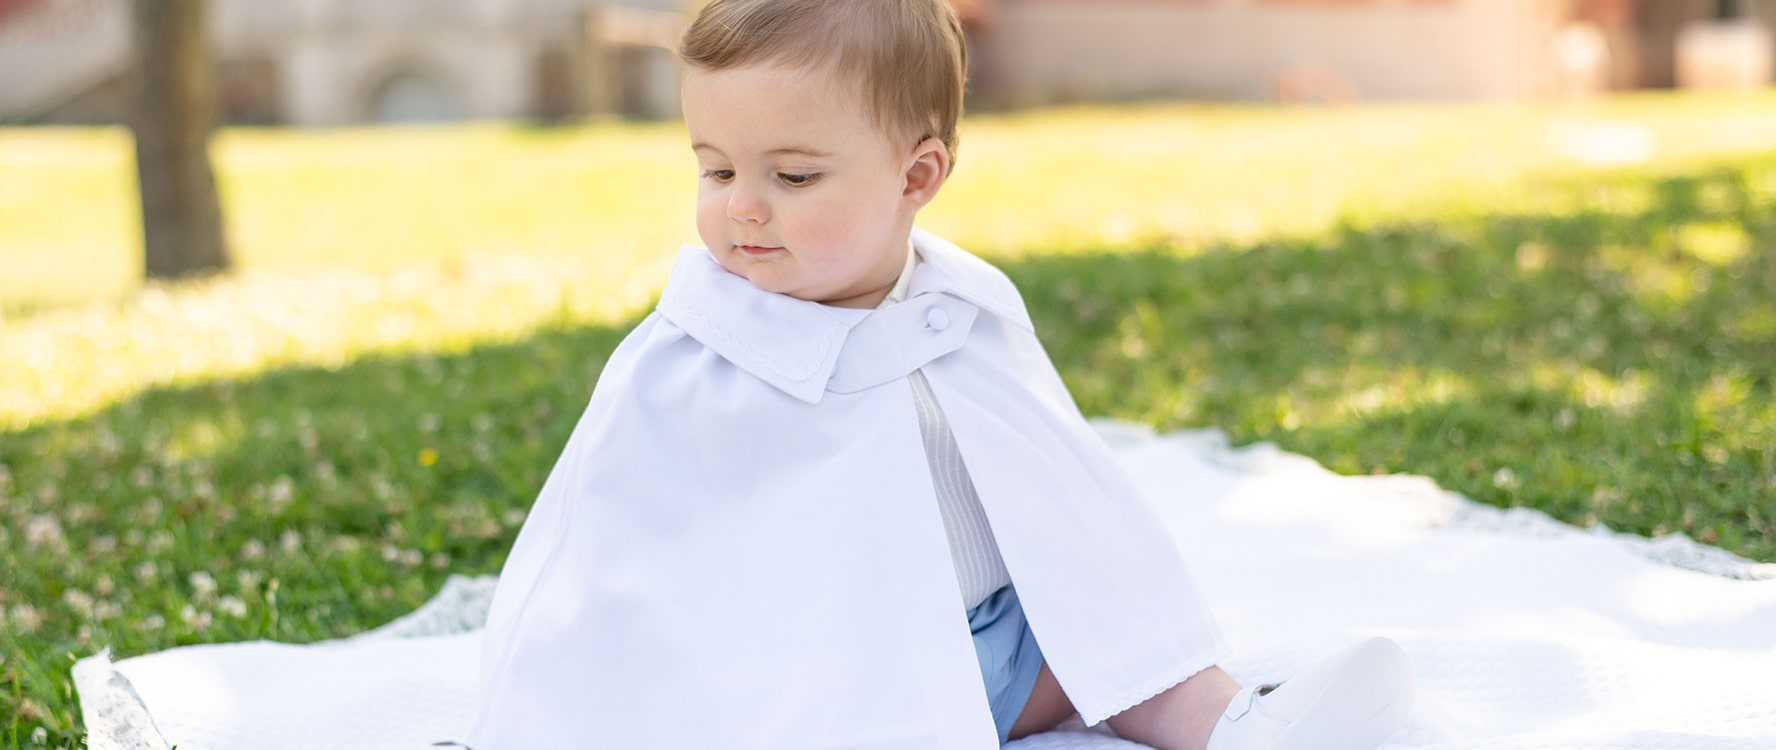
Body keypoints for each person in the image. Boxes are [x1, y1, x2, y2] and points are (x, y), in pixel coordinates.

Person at [463, 1, 1414, 748]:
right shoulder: (697, 357)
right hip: (814, 677)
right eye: (715, 172)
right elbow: (611, 548)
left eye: (791, 178)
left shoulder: (960, 311)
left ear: (916, 177)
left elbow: (1059, 488)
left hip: (997, 640)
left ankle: (1231, 724)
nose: (742, 211)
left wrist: (1091, 596)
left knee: (1119, 644)